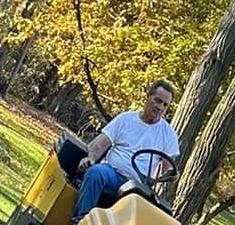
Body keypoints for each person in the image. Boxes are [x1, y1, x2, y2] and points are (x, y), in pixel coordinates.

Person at [74, 80, 178, 216]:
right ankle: (80, 223)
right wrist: (90, 158)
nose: (160, 107)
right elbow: (101, 143)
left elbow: (167, 168)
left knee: (149, 208)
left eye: (165, 105)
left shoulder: (168, 134)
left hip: (138, 185)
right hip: (112, 172)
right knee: (95, 172)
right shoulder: (126, 119)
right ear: (148, 96)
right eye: (158, 101)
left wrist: (172, 174)